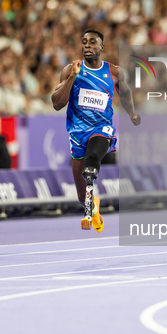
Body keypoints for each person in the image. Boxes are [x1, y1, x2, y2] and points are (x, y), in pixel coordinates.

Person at [52, 29, 141, 232]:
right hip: (77, 135)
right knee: (83, 198)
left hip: (102, 129)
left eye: (93, 42)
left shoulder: (114, 72)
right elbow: (57, 104)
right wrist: (71, 78)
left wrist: (132, 114)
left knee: (92, 158)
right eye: (84, 42)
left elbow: (125, 93)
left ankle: (91, 174)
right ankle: (93, 206)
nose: (87, 45)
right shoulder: (70, 70)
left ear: (102, 47)